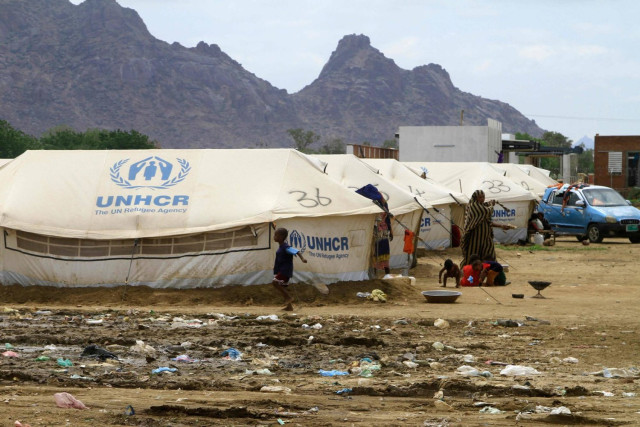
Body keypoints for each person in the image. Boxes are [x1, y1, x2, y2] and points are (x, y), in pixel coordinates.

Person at [460, 189, 511, 266]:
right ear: (476, 198)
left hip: (486, 238)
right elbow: (486, 211)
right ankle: (469, 273)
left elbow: (488, 222)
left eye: (483, 197)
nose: (482, 199)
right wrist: (491, 205)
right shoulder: (474, 206)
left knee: (490, 255)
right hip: (475, 239)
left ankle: (492, 271)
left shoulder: (483, 206)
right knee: (473, 257)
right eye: (480, 197)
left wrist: (501, 226)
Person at [272, 228, 307, 311]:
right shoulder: (281, 247)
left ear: (282, 236)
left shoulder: (285, 247)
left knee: (275, 282)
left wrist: (302, 259)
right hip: (282, 270)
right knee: (282, 287)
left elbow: (296, 251)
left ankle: (289, 297)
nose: (274, 237)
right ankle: (289, 307)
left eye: (276, 235)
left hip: (285, 270)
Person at [373, 198, 393, 275]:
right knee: (376, 252)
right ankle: (375, 272)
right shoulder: (373, 205)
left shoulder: (384, 205)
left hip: (384, 232)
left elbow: (388, 220)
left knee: (384, 251)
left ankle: (387, 273)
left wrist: (391, 231)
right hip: (376, 232)